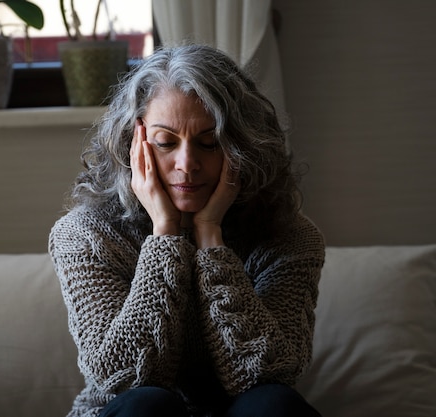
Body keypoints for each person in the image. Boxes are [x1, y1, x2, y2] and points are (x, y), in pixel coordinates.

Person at [49, 43, 325, 417]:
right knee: (146, 404)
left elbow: (268, 372)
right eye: (165, 143)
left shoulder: (289, 238)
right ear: (133, 144)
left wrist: (211, 237)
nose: (187, 164)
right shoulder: (85, 236)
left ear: (241, 145)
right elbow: (122, 379)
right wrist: (165, 235)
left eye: (209, 143)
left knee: (272, 404)